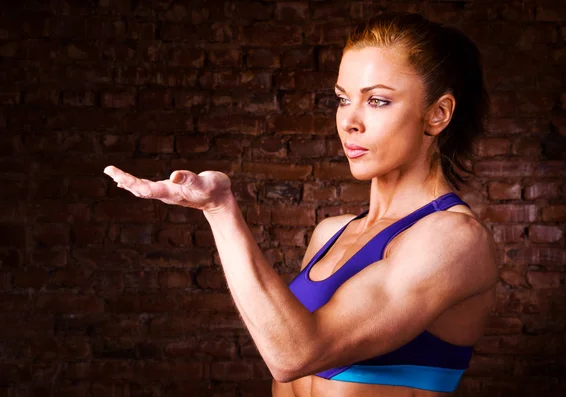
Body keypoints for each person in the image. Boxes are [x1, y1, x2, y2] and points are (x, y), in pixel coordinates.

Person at [104, 12, 498, 397]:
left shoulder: (453, 240)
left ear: (438, 114)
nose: (349, 121)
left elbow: (294, 355)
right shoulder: (331, 233)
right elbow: (282, 345)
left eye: (377, 101)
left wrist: (221, 210)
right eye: (343, 100)